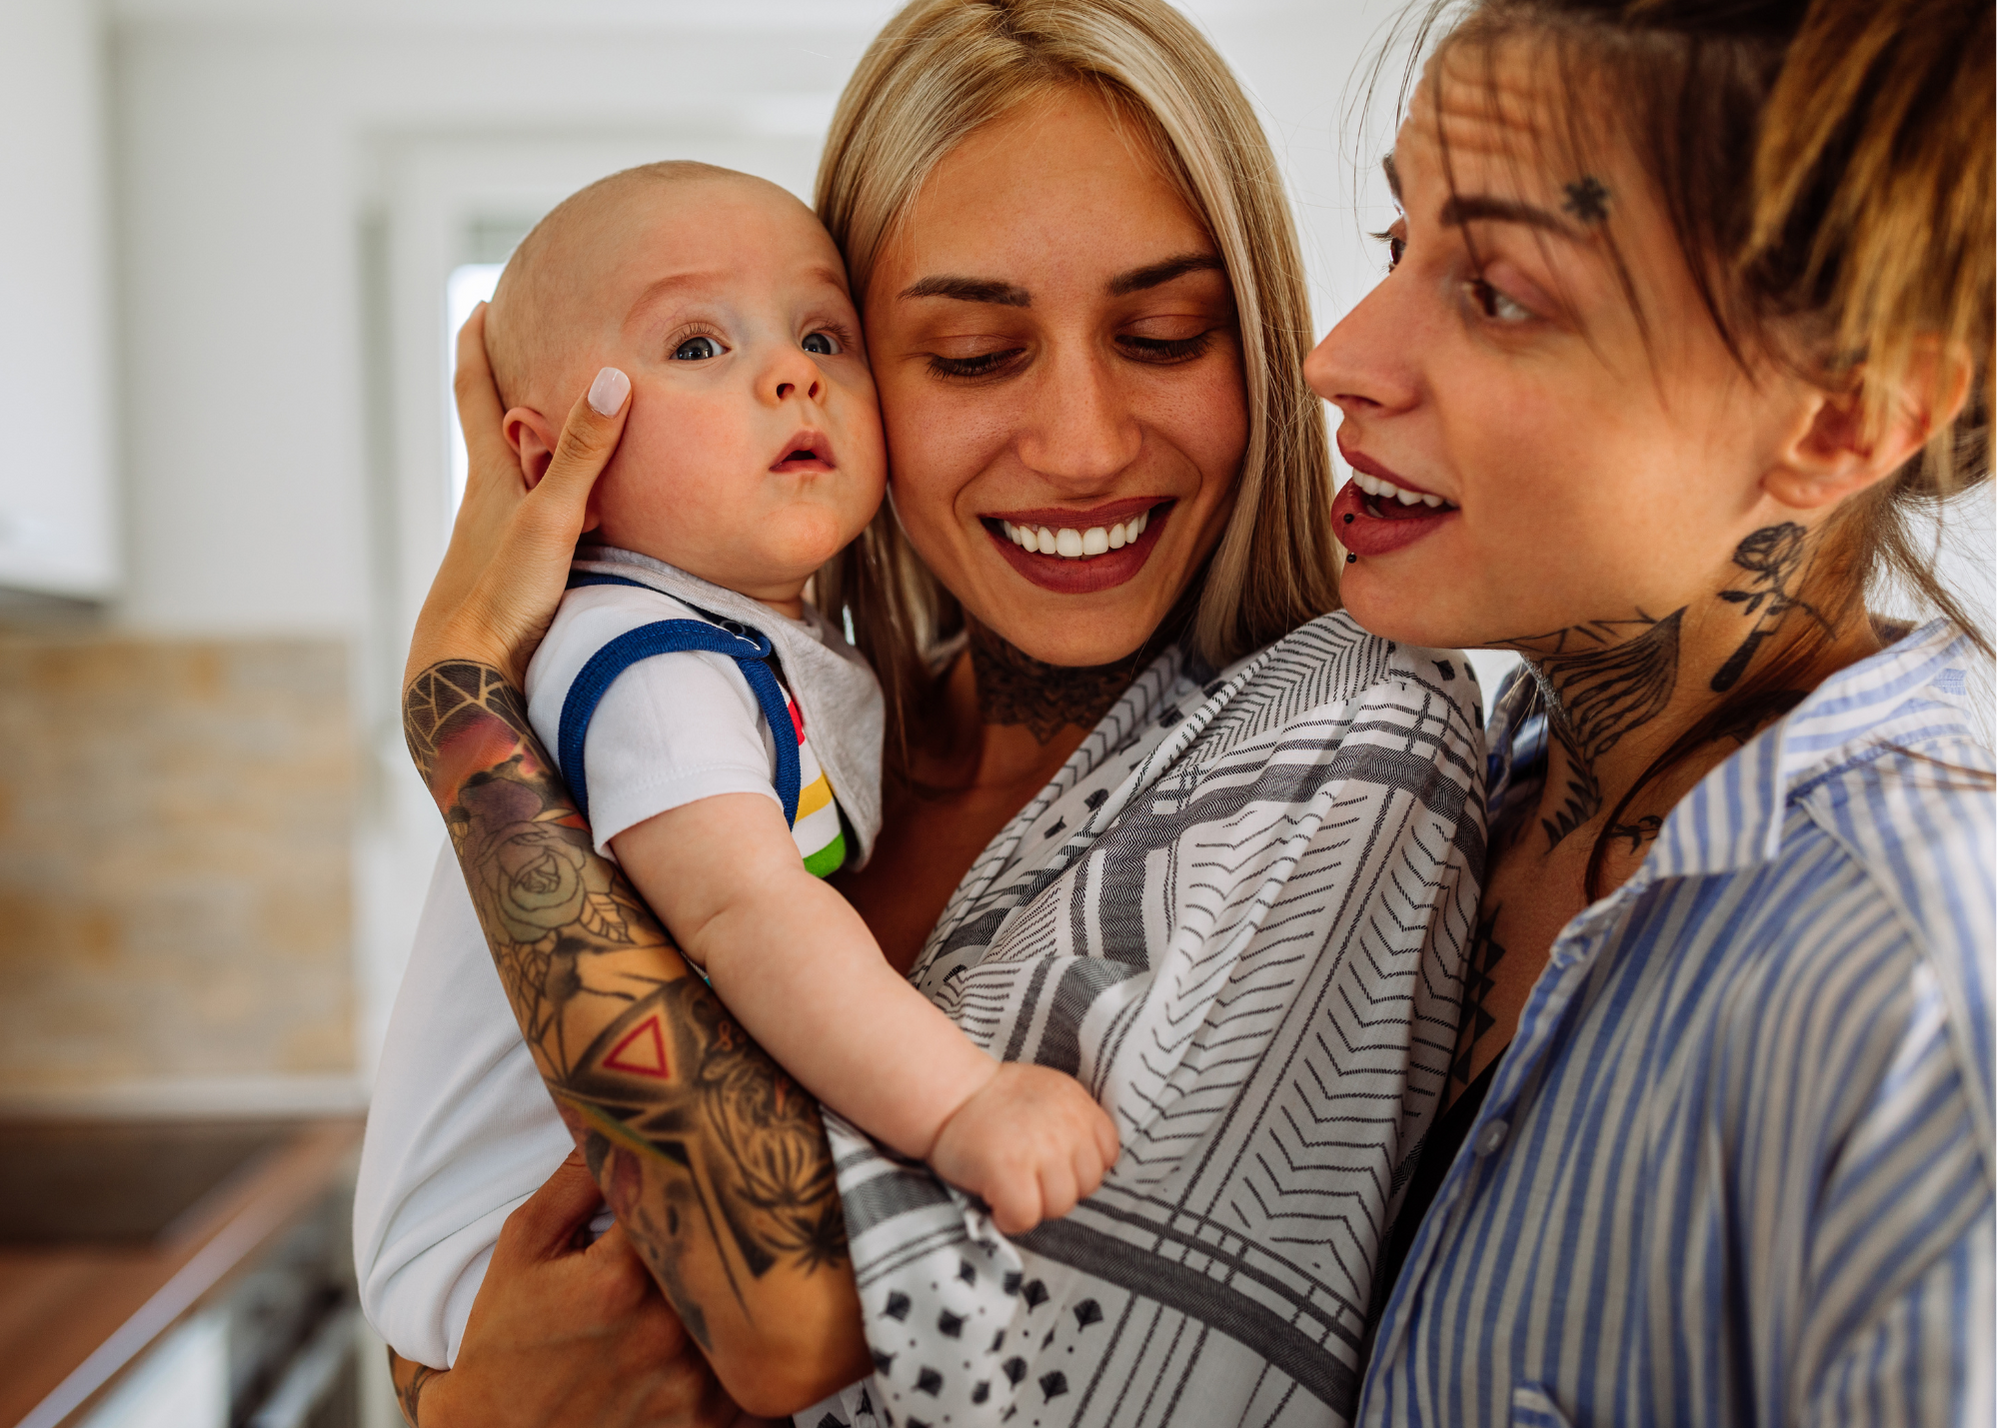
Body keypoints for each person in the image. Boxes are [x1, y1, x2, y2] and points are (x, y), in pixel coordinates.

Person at [360, 1, 1487, 1424]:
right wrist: (456, 1400)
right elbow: (490, 1281)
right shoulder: (795, 715)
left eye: (1162, 334)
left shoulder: (1342, 740)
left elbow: (784, 1333)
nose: (1081, 447)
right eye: (968, 353)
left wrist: (458, 703)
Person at [1305, 0, 1995, 1421]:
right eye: (1396, 242)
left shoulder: (1921, 1002)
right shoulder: (1443, 777)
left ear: (1840, 422)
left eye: (1499, 295)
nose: (1338, 356)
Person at [372, 154, 1120, 1306]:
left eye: (822, 336)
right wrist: (963, 1102)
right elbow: (749, 914)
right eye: (696, 346)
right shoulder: (644, 657)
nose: (790, 374)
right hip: (509, 1252)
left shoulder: (742, 640)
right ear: (549, 460)